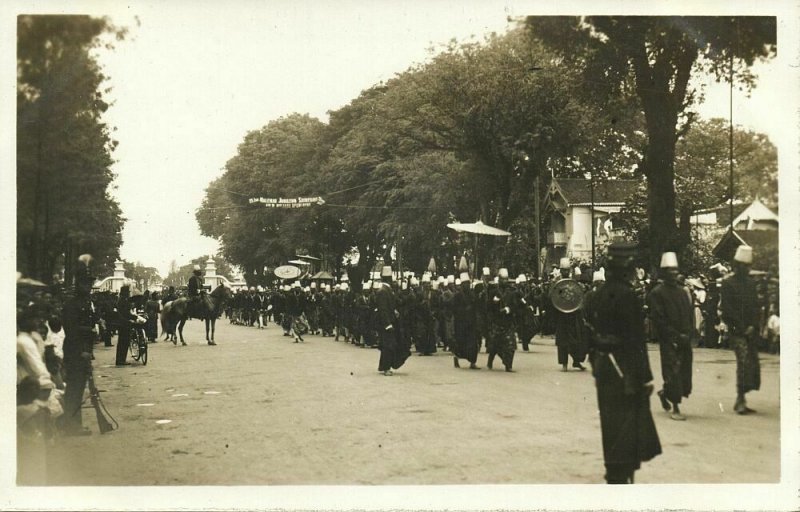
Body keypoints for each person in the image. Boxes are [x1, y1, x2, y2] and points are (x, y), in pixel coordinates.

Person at [584, 242, 661, 484]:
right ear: (627, 267)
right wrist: (644, 376)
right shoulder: (628, 297)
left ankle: (613, 469)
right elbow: (636, 341)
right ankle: (623, 473)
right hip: (625, 369)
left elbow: (587, 332)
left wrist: (597, 353)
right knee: (629, 423)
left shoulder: (596, 296)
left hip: (604, 366)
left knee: (610, 420)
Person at [648, 252, 694, 421]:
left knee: (684, 371)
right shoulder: (657, 293)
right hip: (669, 339)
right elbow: (659, 319)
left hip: (684, 338)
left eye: (675, 270)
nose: (674, 273)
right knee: (672, 371)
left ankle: (664, 393)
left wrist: (688, 333)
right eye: (670, 270)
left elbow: (689, 315)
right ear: (664, 272)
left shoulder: (683, 292)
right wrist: (674, 336)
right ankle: (675, 407)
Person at [720, 245, 761, 414]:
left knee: (751, 362)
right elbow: (728, 309)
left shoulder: (751, 284)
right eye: (741, 265)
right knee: (743, 361)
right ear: (736, 265)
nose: (744, 268)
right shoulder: (728, 283)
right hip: (737, 330)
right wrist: (741, 327)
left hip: (750, 329)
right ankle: (740, 398)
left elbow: (755, 307)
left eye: (747, 265)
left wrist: (752, 325)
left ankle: (743, 396)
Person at [61, 255, 98, 434]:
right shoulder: (72, 305)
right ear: (79, 284)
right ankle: (71, 425)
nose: (88, 287)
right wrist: (82, 350)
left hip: (83, 350)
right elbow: (72, 331)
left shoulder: (85, 303)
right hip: (75, 352)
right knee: (74, 389)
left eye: (90, 284)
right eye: (85, 283)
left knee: (79, 387)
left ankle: (74, 423)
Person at [375, 266, 410, 375]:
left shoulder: (387, 290)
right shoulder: (383, 291)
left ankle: (384, 366)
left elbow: (391, 306)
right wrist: (387, 324)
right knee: (388, 345)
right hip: (387, 323)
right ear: (389, 279)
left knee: (389, 344)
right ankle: (386, 368)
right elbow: (383, 309)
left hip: (390, 321)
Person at [554, 258, 587, 371]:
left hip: (573, 315)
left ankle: (576, 361)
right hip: (561, 315)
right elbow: (553, 297)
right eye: (564, 270)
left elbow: (578, 296)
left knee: (576, 339)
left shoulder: (573, 282)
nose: (565, 272)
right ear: (561, 270)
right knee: (563, 341)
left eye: (567, 270)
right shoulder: (557, 282)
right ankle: (564, 363)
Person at [452, 272, 480, 369]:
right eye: (465, 284)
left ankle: (472, 362)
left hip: (471, 322)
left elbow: (476, 306)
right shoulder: (457, 296)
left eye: (468, 283)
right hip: (461, 323)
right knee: (461, 342)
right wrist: (464, 310)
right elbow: (454, 309)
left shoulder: (472, 295)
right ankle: (456, 357)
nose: (467, 285)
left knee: (472, 343)